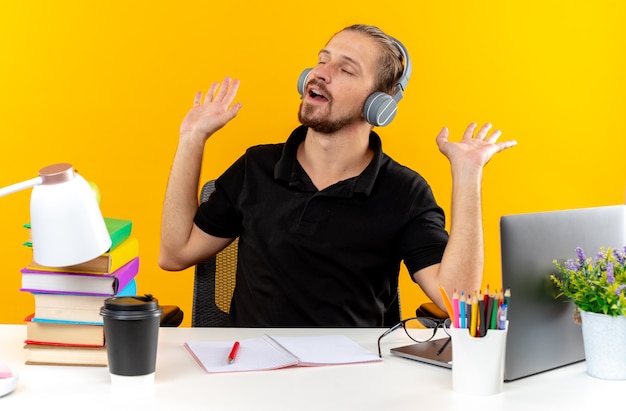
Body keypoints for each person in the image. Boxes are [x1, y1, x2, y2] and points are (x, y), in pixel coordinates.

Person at [159, 24, 516, 327]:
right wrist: (192, 139)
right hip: (250, 372)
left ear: (379, 104)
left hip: (353, 376)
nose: (320, 73)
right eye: (322, 60)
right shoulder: (257, 167)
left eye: (346, 70)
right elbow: (174, 255)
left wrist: (468, 176)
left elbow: (458, 302)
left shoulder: (404, 192)